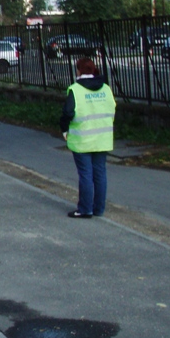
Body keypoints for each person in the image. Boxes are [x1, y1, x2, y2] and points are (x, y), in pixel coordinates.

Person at [60, 58, 116, 219]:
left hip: (82, 139)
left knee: (86, 174)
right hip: (102, 138)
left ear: (78, 71)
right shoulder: (105, 88)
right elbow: (112, 109)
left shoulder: (75, 90)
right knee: (100, 174)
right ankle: (99, 208)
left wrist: (65, 130)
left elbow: (68, 113)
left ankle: (85, 209)